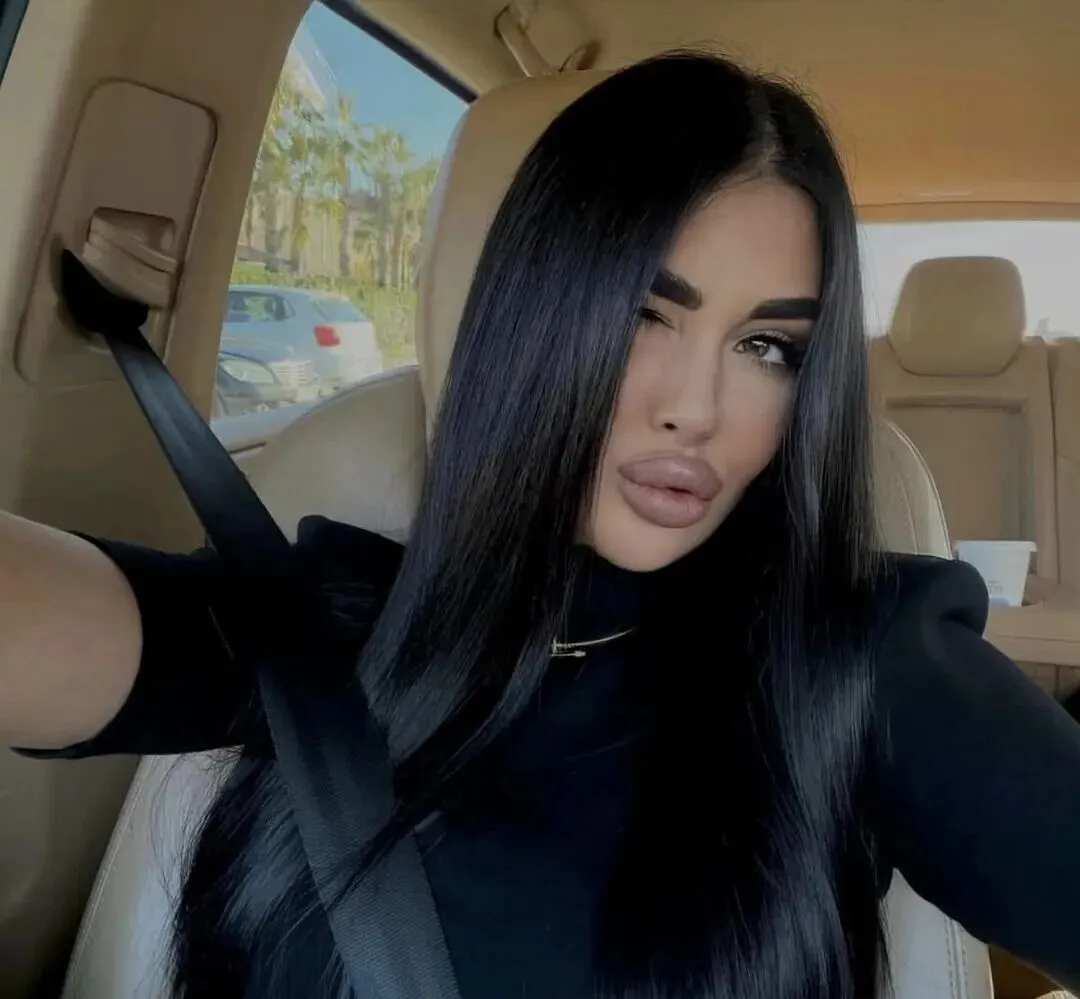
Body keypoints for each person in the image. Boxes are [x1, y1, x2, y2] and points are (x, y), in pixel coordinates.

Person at [3, 52, 1080, 999]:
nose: (695, 409)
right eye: (643, 314)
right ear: (537, 318)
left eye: (768, 348)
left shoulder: (864, 664)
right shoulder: (329, 622)